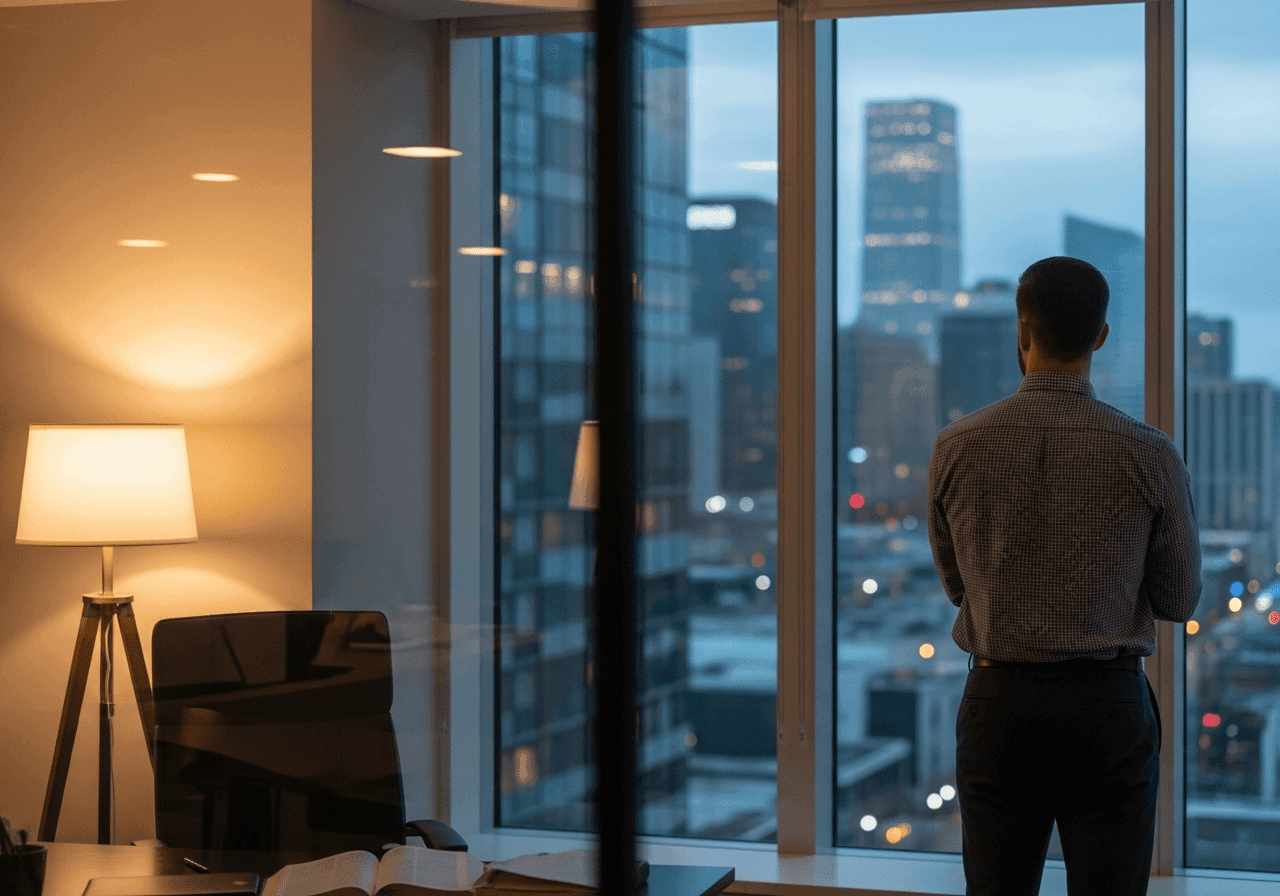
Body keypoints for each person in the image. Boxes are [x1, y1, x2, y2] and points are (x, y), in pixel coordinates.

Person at [927, 256, 1201, 896]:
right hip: (1106, 707)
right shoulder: (1149, 452)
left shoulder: (957, 445)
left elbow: (959, 586)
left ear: (1022, 331)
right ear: (1100, 336)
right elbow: (1178, 599)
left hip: (999, 704)